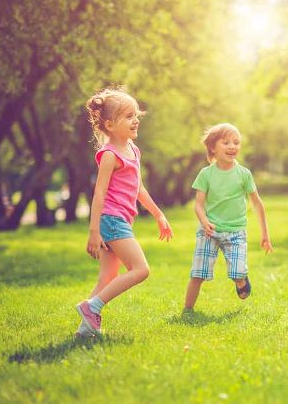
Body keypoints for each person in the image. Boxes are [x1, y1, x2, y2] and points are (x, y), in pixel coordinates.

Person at [75, 87, 173, 337]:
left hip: (120, 220)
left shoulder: (133, 150)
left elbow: (138, 187)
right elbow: (98, 194)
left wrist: (158, 214)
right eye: (129, 116)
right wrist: (94, 232)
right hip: (110, 221)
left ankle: (85, 330)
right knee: (141, 269)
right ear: (109, 123)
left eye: (136, 114)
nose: (136, 120)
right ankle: (92, 307)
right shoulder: (109, 155)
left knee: (107, 276)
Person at [183, 123, 273, 313]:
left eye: (236, 142)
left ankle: (241, 280)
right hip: (210, 231)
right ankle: (187, 311)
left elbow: (257, 204)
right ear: (213, 147)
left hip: (236, 232)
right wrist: (204, 221)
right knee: (198, 273)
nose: (232, 146)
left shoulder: (244, 174)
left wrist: (265, 234)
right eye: (226, 143)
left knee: (238, 272)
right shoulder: (206, 174)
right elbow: (198, 205)